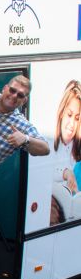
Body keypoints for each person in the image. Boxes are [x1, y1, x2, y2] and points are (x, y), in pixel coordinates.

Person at [50, 81, 81, 225]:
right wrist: (66, 172)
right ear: (62, 113)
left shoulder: (77, 148)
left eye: (77, 118)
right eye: (69, 115)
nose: (72, 124)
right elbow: (43, 171)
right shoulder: (48, 141)